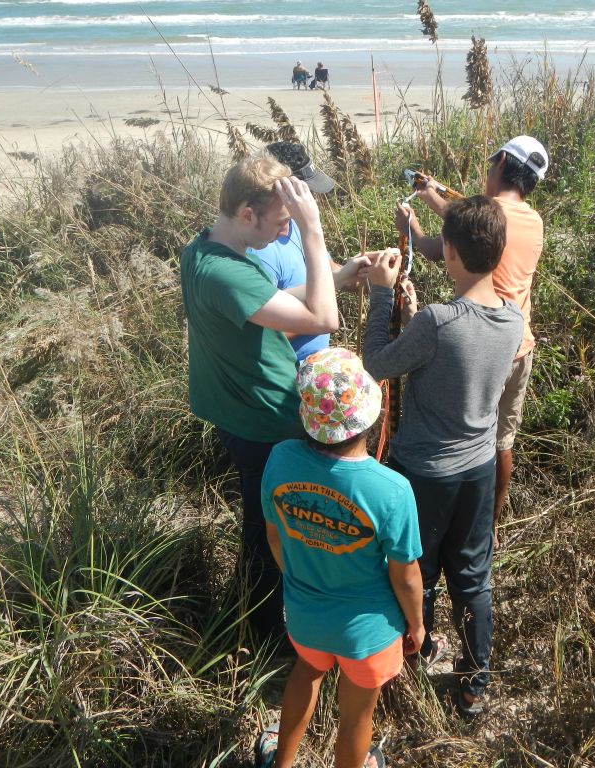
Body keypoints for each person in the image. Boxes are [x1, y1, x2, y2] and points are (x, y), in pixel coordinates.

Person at [180, 155, 366, 646]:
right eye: (280, 221)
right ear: (247, 213)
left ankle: (259, 617)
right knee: (276, 533)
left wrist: (341, 274)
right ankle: (266, 634)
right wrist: (313, 232)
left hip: (239, 413)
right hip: (266, 420)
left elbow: (274, 303)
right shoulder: (228, 272)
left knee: (265, 520)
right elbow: (325, 320)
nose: (284, 232)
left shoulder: (201, 251)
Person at [365, 195, 523, 716]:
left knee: (419, 572)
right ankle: (476, 682)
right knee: (473, 576)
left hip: (425, 474)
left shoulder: (437, 321)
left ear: (448, 251)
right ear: (499, 252)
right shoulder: (513, 320)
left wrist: (382, 297)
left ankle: (412, 663)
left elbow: (378, 364)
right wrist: (416, 317)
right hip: (477, 469)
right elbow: (460, 351)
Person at [255, 347, 424, 768]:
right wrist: (417, 625)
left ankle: (282, 763)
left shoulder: (280, 459)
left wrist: (300, 580)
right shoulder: (392, 490)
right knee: (356, 717)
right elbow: (406, 577)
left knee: (305, 673)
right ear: (370, 414)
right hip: (366, 635)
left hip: (305, 615)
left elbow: (275, 537)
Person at [395, 135, 547, 551]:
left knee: (466, 437)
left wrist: (420, 202)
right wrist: (429, 207)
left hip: (481, 347)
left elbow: (448, 235)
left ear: (499, 163)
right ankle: (487, 526)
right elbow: (444, 238)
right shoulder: (533, 220)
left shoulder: (486, 215)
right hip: (520, 343)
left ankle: (438, 526)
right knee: (502, 441)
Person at [248, 141, 362, 361]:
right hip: (291, 378)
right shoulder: (260, 250)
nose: (312, 200)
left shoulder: (299, 227)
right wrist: (315, 312)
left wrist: (364, 272)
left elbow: (330, 270)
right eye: (306, 191)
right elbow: (268, 333)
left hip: (317, 373)